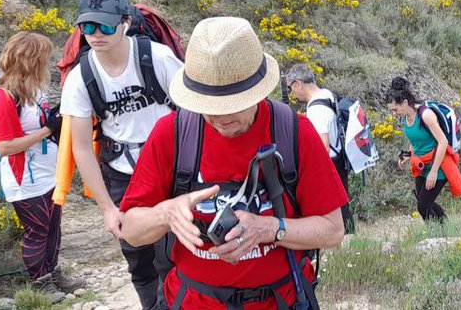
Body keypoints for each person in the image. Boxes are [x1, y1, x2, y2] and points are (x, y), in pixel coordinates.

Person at [119, 16, 347, 310]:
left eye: (235, 103)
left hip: (280, 301)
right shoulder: (171, 134)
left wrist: (269, 229)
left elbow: (332, 230)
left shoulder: (295, 133)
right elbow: (131, 231)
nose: (221, 119)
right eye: (208, 106)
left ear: (260, 91)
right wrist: (166, 213)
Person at [61, 0, 184, 310]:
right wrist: (106, 208)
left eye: (105, 25)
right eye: (87, 26)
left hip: (169, 168)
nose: (95, 34)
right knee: (137, 258)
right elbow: (83, 148)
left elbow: (192, 113)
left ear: (126, 23)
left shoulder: (157, 58)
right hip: (122, 174)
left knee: (171, 254)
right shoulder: (80, 78)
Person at [0, 32, 85, 302]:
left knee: (53, 226)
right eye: (42, 58)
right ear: (29, 60)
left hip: (48, 171)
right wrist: (46, 130)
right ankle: (40, 284)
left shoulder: (33, 89)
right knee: (38, 230)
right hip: (25, 178)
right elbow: (4, 146)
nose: (47, 62)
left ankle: (53, 273)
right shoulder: (4, 96)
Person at [283, 63, 354, 233]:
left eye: (290, 88)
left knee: (334, 207)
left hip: (330, 162)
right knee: (343, 203)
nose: (291, 93)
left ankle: (346, 239)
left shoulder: (316, 109)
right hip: (340, 157)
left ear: (298, 84)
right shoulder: (327, 94)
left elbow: (322, 146)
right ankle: (351, 238)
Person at [385, 77, 452, 223]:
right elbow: (416, 141)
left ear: (404, 102)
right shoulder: (404, 118)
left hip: (437, 164)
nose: (394, 113)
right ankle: (445, 226)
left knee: (423, 206)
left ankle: (437, 233)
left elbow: (443, 142)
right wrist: (408, 155)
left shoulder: (426, 115)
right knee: (423, 201)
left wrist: (434, 172)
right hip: (421, 165)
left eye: (395, 109)